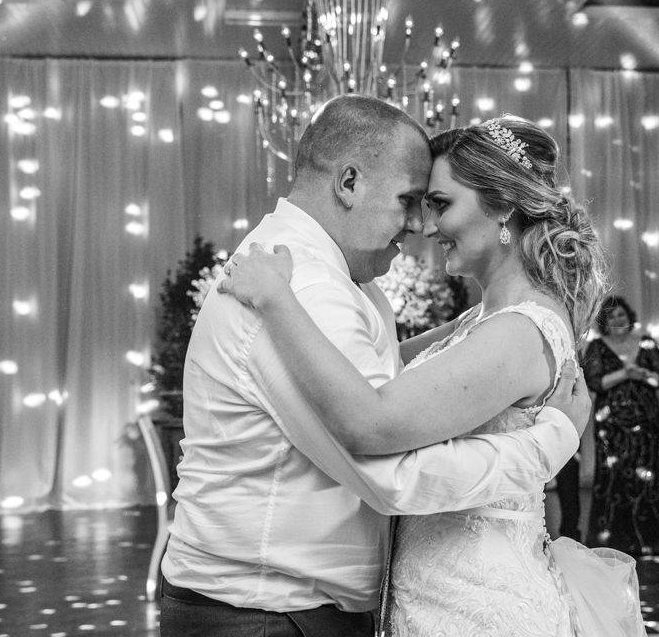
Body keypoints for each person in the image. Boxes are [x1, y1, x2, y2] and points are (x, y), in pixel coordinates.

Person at [159, 97, 593, 637]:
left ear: (503, 207)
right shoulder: (303, 284)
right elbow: (389, 471)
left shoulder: (313, 281)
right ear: (349, 183)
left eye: (436, 203)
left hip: (460, 604)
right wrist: (551, 442)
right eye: (411, 200)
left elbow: (385, 407)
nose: (420, 224)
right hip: (268, 615)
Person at [583, 295, 659, 556]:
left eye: (621, 314)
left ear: (629, 316)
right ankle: (614, 540)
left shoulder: (646, 342)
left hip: (646, 422)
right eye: (612, 315)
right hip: (611, 425)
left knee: (646, 475)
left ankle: (650, 540)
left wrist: (644, 375)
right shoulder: (596, 346)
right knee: (613, 476)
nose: (617, 319)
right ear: (604, 321)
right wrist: (624, 374)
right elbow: (595, 382)